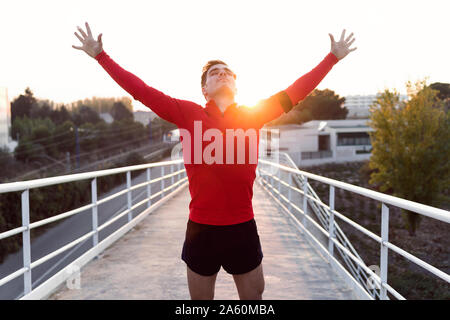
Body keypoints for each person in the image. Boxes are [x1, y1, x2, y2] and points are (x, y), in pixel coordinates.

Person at [72, 22, 356, 300]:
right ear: (204, 89)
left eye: (228, 73)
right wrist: (101, 56)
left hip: (242, 226)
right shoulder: (187, 113)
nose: (222, 75)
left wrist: (332, 58)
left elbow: (295, 91)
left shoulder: (253, 114)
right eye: (214, 73)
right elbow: (141, 91)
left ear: (236, 85)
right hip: (201, 229)